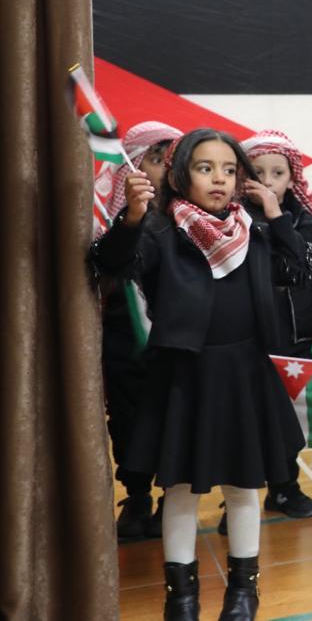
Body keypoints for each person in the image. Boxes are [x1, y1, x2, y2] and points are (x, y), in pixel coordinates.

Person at [90, 129, 306, 621]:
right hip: (184, 375)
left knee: (244, 486)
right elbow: (108, 263)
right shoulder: (161, 231)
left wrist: (276, 215)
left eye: (229, 169)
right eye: (206, 168)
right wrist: (132, 217)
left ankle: (243, 593)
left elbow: (298, 273)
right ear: (180, 174)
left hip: (245, 372)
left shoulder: (254, 229)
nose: (219, 179)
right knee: (181, 488)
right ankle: (181, 597)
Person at [244, 129, 312, 520]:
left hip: (296, 337)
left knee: (290, 417)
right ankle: (240, 498)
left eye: (278, 173)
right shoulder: (232, 221)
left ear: (291, 178)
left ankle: (284, 488)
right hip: (248, 338)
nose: (268, 181)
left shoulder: (307, 223)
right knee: (249, 418)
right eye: (258, 173)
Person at [97, 121, 182, 542]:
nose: (165, 168)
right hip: (126, 343)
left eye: (172, 159)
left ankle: (173, 496)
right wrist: (132, 220)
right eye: (155, 158)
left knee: (175, 418)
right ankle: (136, 496)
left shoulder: (188, 217)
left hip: (175, 343)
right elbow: (105, 265)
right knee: (129, 421)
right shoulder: (115, 219)